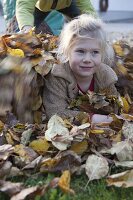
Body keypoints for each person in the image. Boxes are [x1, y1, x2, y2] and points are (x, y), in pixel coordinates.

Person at [43, 14, 119, 124]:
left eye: (95, 52)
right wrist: (92, 118)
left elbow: (114, 108)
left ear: (102, 54)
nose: (87, 59)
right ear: (67, 52)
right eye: (80, 51)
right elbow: (55, 112)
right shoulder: (58, 76)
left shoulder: (106, 76)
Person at [16, 0, 96, 33]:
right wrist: (26, 29)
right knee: (26, 33)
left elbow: (86, 7)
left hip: (66, 4)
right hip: (41, 7)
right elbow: (24, 8)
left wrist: (95, 25)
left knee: (86, 23)